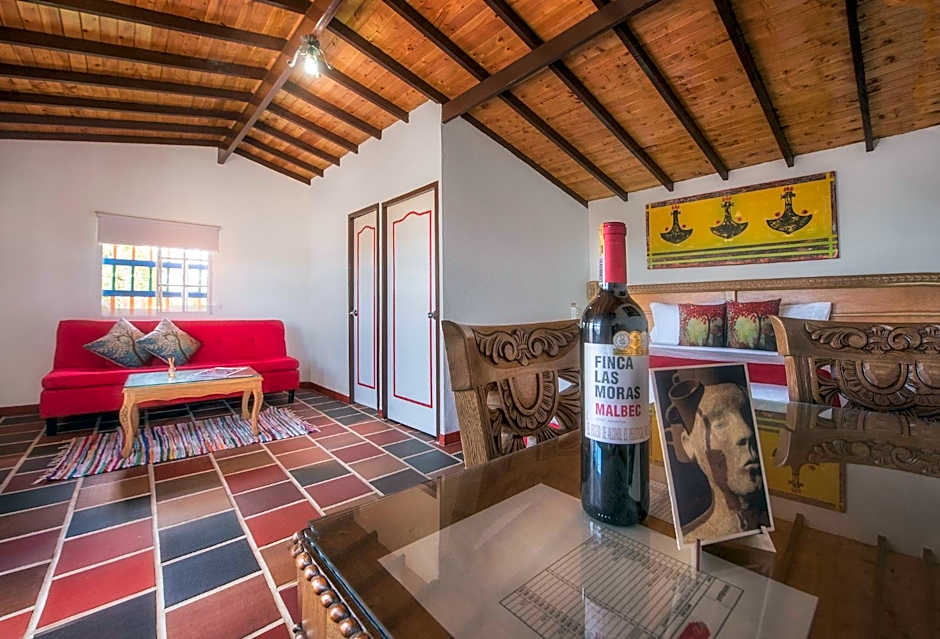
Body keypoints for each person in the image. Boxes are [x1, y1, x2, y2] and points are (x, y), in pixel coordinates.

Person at [664, 367, 770, 543]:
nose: (746, 432)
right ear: (688, 444)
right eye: (720, 424)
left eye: (746, 415)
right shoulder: (691, 539)